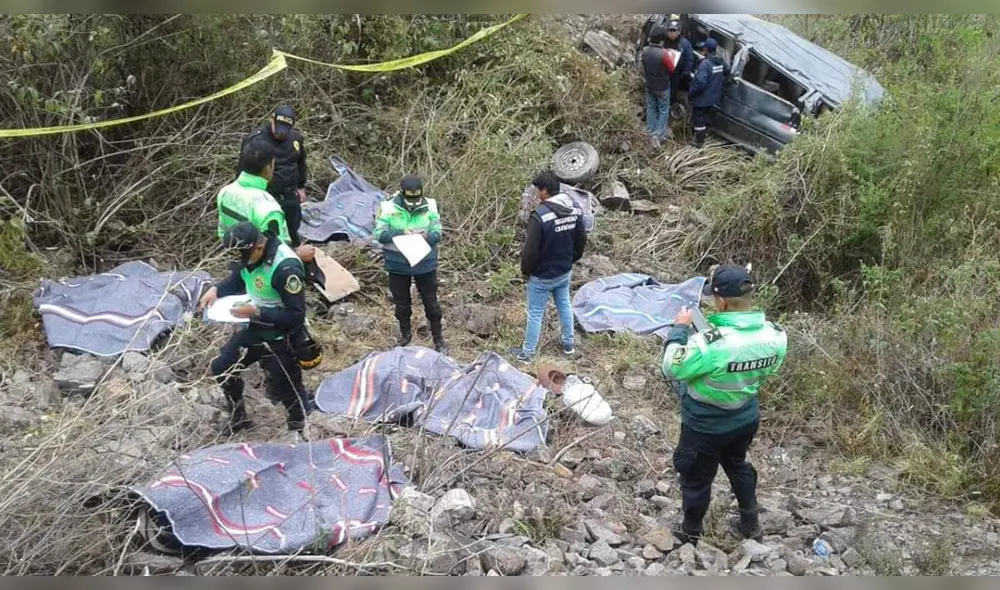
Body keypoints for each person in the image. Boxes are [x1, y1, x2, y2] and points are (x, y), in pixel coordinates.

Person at [660, 265, 788, 546]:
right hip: (744, 417)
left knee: (696, 476)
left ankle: (691, 531)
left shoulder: (709, 344)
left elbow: (672, 367)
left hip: (705, 425)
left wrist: (680, 329)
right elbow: (767, 369)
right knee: (737, 464)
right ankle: (750, 523)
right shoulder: (775, 335)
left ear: (721, 301)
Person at [197, 221, 314, 434]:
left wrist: (257, 312)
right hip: (256, 330)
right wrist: (216, 289)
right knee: (222, 367)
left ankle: (301, 430)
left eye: (245, 255)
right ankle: (238, 416)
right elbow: (239, 278)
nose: (243, 261)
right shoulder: (251, 256)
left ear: (259, 247)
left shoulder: (286, 268)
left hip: (283, 338)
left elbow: (296, 316)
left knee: (289, 390)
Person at [509, 170, 587, 363]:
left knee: (535, 313)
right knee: (565, 306)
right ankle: (569, 345)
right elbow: (581, 241)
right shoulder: (575, 209)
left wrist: (526, 272)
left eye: (537, 190)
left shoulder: (540, 216)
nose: (536, 194)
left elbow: (530, 252)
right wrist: (570, 260)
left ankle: (527, 354)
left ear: (544, 191)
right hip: (564, 271)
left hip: (542, 277)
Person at [372, 175, 447, 354]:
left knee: (431, 302)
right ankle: (405, 336)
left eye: (417, 198)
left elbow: (438, 233)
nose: (414, 202)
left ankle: (439, 339)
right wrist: (401, 232)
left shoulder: (430, 205)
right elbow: (379, 234)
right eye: (410, 198)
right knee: (402, 303)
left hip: (424, 263)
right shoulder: (388, 207)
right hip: (398, 264)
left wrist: (426, 236)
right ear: (402, 193)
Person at [237, 105, 308, 246]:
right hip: (266, 197)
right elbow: (243, 170)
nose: (280, 134)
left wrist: (301, 186)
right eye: (278, 128)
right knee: (268, 238)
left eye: (285, 130)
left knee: (293, 233)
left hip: (290, 195)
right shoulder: (256, 140)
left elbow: (301, 162)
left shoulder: (296, 138)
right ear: (271, 120)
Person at [639, 24, 678, 146]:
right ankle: (658, 134)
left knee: (651, 107)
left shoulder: (644, 51)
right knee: (663, 110)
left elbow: (642, 67)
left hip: (650, 85)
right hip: (662, 87)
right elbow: (671, 68)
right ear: (662, 40)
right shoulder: (665, 54)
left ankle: (650, 131)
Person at [688, 38, 730, 149]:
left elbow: (700, 84)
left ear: (706, 49)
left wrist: (691, 92)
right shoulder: (721, 62)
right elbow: (727, 72)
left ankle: (698, 143)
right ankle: (704, 136)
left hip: (702, 100)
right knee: (706, 119)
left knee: (699, 121)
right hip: (714, 98)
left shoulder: (705, 64)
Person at [664, 19, 694, 100]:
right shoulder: (663, 41)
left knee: (672, 94)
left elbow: (689, 59)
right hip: (663, 73)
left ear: (679, 32)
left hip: (676, 75)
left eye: (674, 30)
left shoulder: (684, 43)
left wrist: (685, 73)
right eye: (670, 30)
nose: (672, 33)